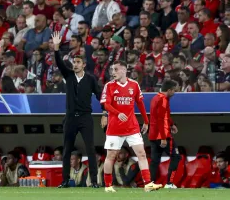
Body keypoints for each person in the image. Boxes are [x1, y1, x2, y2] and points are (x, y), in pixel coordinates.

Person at [100, 60, 162, 192]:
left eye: (116, 69)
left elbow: (140, 103)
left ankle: (148, 184)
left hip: (132, 127)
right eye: (112, 70)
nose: (113, 72)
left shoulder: (134, 85)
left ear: (124, 70)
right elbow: (106, 105)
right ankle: (108, 186)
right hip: (115, 128)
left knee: (142, 154)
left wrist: (146, 121)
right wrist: (118, 113)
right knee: (111, 156)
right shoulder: (109, 86)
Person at [52, 32, 101, 188]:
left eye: (78, 62)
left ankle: (94, 181)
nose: (75, 64)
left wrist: (106, 111)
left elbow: (100, 96)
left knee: (90, 149)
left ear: (84, 65)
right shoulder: (69, 76)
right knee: (67, 150)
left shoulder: (91, 79)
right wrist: (56, 48)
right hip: (71, 117)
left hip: (86, 117)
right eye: (74, 62)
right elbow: (60, 63)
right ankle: (65, 180)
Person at [148, 80, 180, 189]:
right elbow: (161, 120)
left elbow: (164, 116)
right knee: (176, 156)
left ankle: (150, 183)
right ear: (169, 90)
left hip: (153, 135)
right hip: (162, 135)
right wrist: (163, 137)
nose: (174, 93)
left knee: (154, 161)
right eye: (174, 91)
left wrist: (172, 124)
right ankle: (169, 183)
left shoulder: (155, 98)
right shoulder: (163, 100)